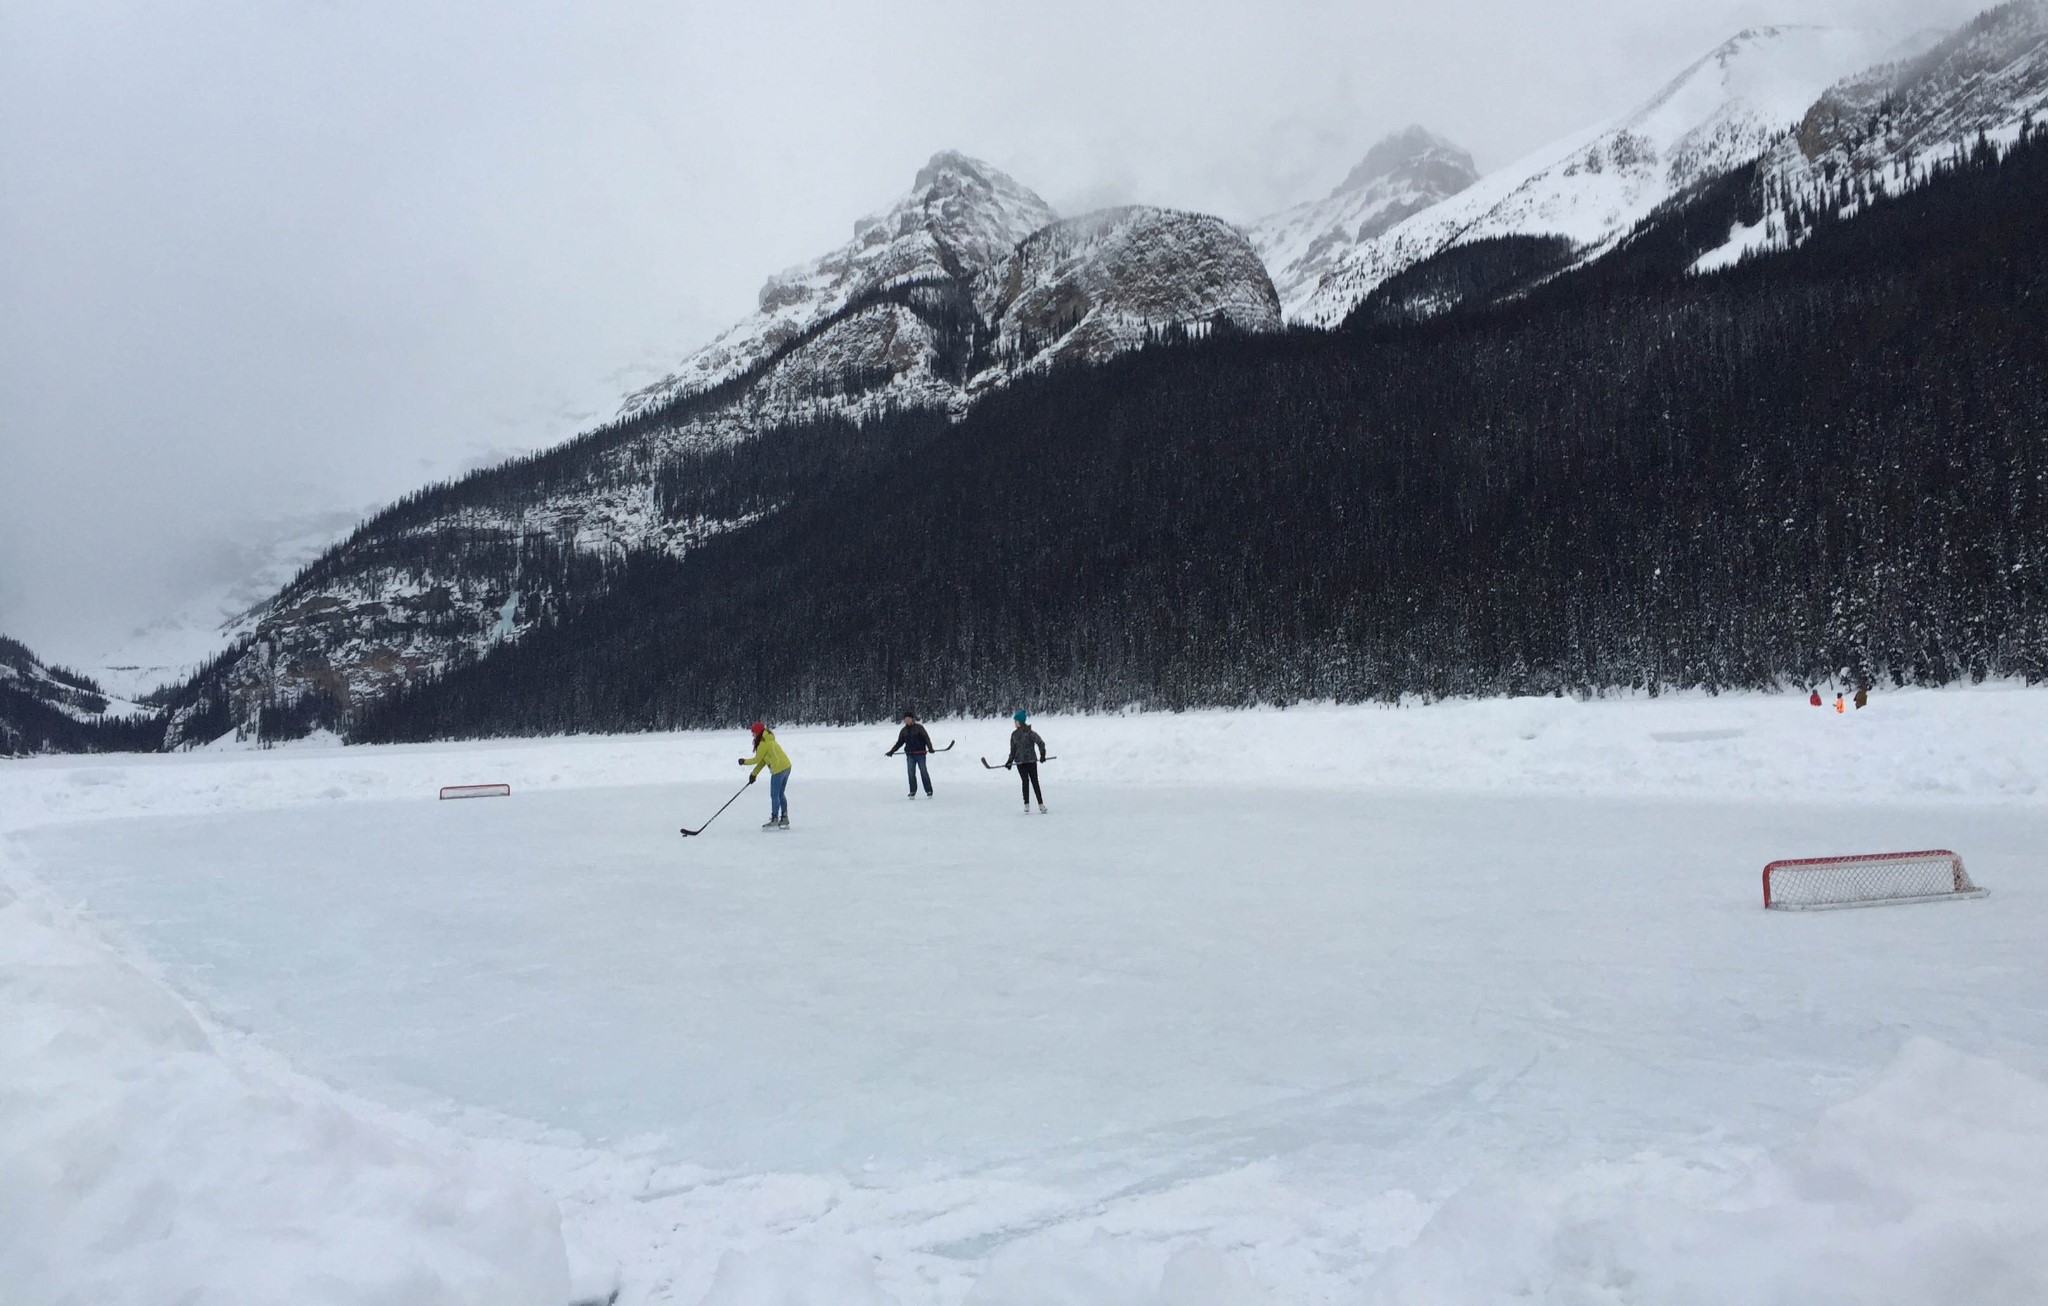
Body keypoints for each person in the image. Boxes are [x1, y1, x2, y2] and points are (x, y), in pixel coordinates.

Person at [739, 721, 792, 829]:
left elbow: (756, 759)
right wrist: (754, 774)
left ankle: (775, 819)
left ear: (758, 732)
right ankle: (784, 818)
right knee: (780, 793)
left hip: (778, 769)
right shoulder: (768, 739)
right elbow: (763, 761)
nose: (752, 734)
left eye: (753, 732)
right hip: (787, 767)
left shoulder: (763, 742)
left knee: (774, 795)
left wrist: (743, 761)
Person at [887, 709, 937, 799]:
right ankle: (912, 791)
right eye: (905, 719)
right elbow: (899, 743)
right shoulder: (903, 731)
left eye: (908, 718)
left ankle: (929, 790)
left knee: (923, 772)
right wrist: (892, 751)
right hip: (910, 755)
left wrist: (930, 748)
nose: (906, 720)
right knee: (911, 773)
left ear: (912, 719)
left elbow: (926, 738)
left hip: (920, 754)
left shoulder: (919, 728)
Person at [1005, 709, 1048, 813]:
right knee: (1025, 782)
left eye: (1015, 721)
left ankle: (1040, 804)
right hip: (1020, 762)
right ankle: (1026, 804)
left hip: (1031, 761)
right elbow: (1013, 750)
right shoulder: (1014, 735)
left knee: (1034, 782)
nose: (1014, 723)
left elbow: (1040, 743)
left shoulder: (1030, 733)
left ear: (1020, 721)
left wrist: (1042, 755)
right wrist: (1010, 761)